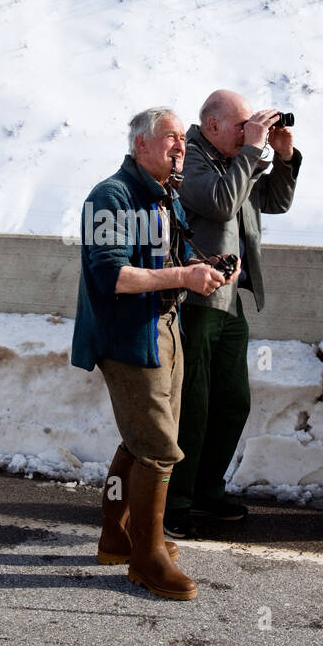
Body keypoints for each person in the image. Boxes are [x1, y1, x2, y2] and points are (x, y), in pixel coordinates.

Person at [71, 106, 237, 600]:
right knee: (159, 447)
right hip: (127, 336)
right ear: (140, 144)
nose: (180, 145)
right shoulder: (110, 196)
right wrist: (183, 277)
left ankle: (116, 535)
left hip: (166, 326)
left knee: (141, 438)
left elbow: (173, 258)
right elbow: (112, 276)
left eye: (181, 139)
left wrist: (205, 268)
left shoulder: (165, 196)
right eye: (169, 138)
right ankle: (147, 557)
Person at [167, 89, 302, 538]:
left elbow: (275, 203)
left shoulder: (235, 160)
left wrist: (281, 158)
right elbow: (222, 203)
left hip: (231, 300)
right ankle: (175, 502)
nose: (249, 132)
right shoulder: (190, 160)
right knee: (196, 403)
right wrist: (251, 151)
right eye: (241, 125)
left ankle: (207, 490)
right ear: (212, 126)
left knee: (233, 402)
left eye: (251, 125)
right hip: (198, 298)